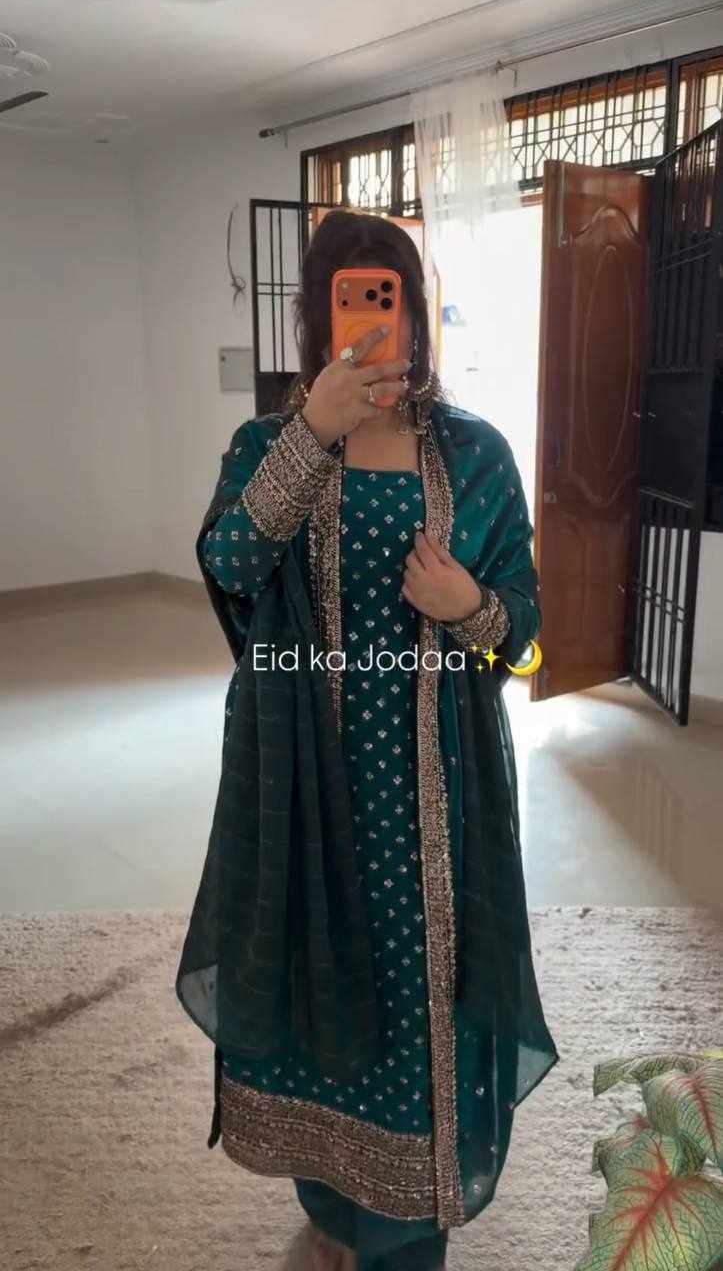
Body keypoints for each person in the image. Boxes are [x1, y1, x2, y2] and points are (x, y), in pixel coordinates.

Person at [175, 208, 559, 1271]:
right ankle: (335, 1209)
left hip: (436, 799)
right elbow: (231, 571)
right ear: (318, 316)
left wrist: (469, 604)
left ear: (416, 313)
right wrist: (313, 433)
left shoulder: (475, 453)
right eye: (350, 301)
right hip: (299, 788)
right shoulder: (266, 446)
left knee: (419, 1001)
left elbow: (525, 639)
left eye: (388, 298)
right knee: (313, 988)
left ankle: (401, 1230)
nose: (374, 321)